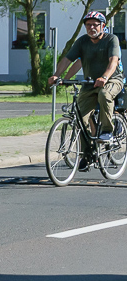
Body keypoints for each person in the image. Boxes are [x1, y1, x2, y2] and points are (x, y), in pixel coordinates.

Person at [48, 11, 123, 169]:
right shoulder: (82, 42)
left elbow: (113, 61)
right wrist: (57, 76)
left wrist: (104, 77)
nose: (91, 27)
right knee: (80, 118)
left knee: (104, 94)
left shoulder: (111, 39)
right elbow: (69, 60)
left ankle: (107, 131)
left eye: (95, 24)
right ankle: (88, 155)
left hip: (112, 79)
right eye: (88, 25)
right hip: (90, 83)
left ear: (103, 25)